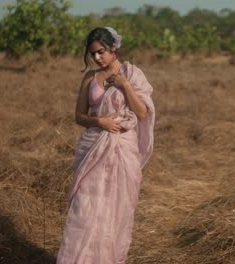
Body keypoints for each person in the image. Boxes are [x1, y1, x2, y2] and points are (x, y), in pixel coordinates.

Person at [57, 27, 155, 264]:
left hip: (123, 151)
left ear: (113, 48)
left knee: (114, 213)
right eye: (93, 54)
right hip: (93, 148)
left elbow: (142, 112)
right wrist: (98, 121)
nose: (97, 58)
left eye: (101, 52)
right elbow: (79, 116)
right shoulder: (90, 78)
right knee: (85, 210)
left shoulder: (132, 74)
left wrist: (124, 85)